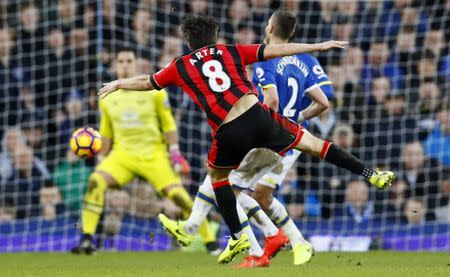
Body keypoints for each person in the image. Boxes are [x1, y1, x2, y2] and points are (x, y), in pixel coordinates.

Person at [99, 15, 394, 267]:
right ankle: (372, 174)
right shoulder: (230, 50)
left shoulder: (181, 64)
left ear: (189, 42)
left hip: (229, 131)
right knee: (315, 144)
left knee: (217, 178)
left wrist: (118, 83)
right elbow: (279, 51)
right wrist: (318, 45)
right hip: (259, 116)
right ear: (214, 37)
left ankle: (238, 237)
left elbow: (147, 82)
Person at [160, 9, 335, 267]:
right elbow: (323, 101)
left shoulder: (265, 60)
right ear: (293, 32)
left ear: (271, 29)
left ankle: (252, 239)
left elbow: (272, 100)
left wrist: (266, 128)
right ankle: (291, 242)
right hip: (291, 138)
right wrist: (297, 118)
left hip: (266, 133)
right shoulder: (304, 59)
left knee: (224, 184)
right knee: (259, 194)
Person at [71, 48, 219, 255]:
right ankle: (87, 239)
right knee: (96, 181)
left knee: (178, 196)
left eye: (129, 60)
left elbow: (168, 124)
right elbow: (106, 132)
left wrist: (175, 152)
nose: (124, 64)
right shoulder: (106, 96)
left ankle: (211, 243)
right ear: (114, 66)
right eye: (120, 60)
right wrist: (102, 158)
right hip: (122, 156)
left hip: (153, 154)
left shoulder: (153, 90)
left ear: (135, 64)